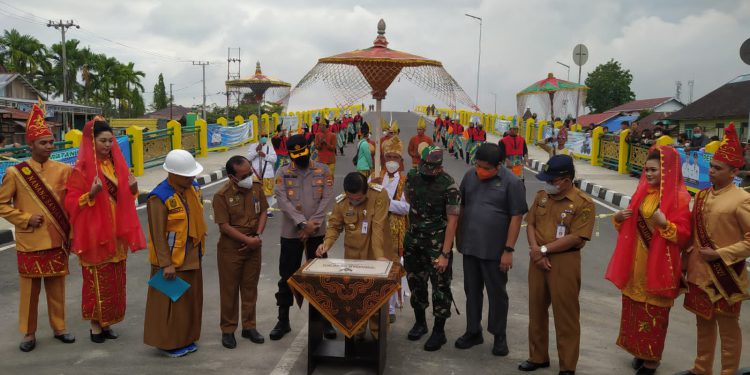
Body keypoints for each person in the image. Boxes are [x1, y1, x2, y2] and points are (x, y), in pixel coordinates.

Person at [606, 146, 692, 375]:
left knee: (654, 312)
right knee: (635, 309)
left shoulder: (680, 198)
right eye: (647, 169)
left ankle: (652, 360)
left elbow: (684, 235)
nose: (649, 174)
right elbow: (630, 227)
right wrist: (618, 218)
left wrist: (665, 224)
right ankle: (639, 352)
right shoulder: (643, 192)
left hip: (660, 264)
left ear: (667, 171)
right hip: (636, 261)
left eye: (654, 170)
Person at [0, 102, 75, 352]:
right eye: (43, 143)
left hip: (56, 239)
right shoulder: (16, 173)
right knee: (30, 292)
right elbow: (1, 204)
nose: (49, 147)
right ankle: (29, 333)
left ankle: (59, 327)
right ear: (30, 145)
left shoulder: (64, 171)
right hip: (30, 241)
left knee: (57, 287)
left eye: (51, 142)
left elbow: (72, 203)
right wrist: (24, 218)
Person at [677, 123, 750, 375]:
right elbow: (692, 235)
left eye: (718, 169)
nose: (711, 171)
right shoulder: (701, 196)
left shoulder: (742, 199)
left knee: (729, 329)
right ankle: (701, 368)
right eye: (712, 166)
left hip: (726, 275)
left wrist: (720, 254)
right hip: (699, 274)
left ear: (733, 171)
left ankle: (728, 372)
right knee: (702, 324)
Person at [65, 118, 146, 343]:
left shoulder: (117, 166)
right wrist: (90, 194)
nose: (108, 145)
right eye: (103, 140)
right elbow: (71, 203)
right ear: (92, 142)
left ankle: (107, 321)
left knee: (114, 279)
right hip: (94, 234)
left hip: (116, 232)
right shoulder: (81, 170)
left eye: (111, 140)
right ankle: (95, 325)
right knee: (96, 280)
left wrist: (133, 188)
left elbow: (128, 199)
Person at [519, 154, 595, 375]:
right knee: (536, 309)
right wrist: (536, 250)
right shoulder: (542, 196)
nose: (548, 184)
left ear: (566, 179)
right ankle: (538, 356)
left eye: (552, 180)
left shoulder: (583, 203)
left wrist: (545, 250)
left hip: (564, 261)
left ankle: (567, 366)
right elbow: (530, 224)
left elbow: (577, 237)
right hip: (537, 259)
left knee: (566, 314)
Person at [455, 143, 527, 356]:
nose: (480, 170)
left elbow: (516, 217)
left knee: (497, 294)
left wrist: (508, 249)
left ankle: (499, 335)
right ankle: (473, 331)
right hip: (470, 246)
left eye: (485, 167)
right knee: (472, 292)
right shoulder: (470, 177)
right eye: (477, 165)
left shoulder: (512, 183)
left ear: (499, 165)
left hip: (495, 251)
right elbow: (463, 206)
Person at [271, 134, 337, 341]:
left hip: (317, 234)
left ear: (309, 149)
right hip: (291, 234)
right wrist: (301, 223)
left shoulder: (323, 170)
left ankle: (324, 321)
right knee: (287, 277)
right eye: (295, 154)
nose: (300, 157)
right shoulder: (283, 173)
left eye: (303, 153)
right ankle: (283, 321)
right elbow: (282, 200)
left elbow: (326, 198)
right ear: (290, 154)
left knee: (320, 278)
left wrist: (311, 226)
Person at [143, 149, 207, 358]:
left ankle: (187, 338)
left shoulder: (193, 188)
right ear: (172, 174)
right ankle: (168, 343)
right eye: (187, 175)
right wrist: (165, 264)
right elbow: (157, 234)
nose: (192, 178)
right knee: (170, 304)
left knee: (190, 301)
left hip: (192, 255)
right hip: (171, 260)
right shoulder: (159, 197)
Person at [315, 172, 392, 338]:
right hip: (353, 255)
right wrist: (326, 244)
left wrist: (379, 256)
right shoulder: (342, 201)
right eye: (350, 197)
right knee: (355, 298)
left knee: (376, 297)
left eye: (357, 198)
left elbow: (378, 226)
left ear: (365, 191)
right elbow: (334, 225)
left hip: (375, 255)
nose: (353, 201)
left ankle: (379, 335)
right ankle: (356, 333)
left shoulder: (379, 194)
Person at [403, 145, 460, 352]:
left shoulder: (449, 185)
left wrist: (445, 254)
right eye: (423, 165)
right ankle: (420, 323)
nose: (426, 170)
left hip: (437, 244)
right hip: (413, 241)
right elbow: (409, 199)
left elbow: (453, 222)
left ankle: (439, 331)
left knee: (440, 288)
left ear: (439, 166)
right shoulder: (413, 176)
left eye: (431, 167)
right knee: (415, 283)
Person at [212, 155, 268, 349]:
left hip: (254, 244)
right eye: (244, 175)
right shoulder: (222, 195)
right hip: (231, 249)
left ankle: (249, 326)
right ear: (232, 177)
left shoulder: (256, 187)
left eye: (250, 172)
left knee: (250, 288)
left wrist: (257, 237)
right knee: (229, 291)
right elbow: (224, 226)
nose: (249, 177)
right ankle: (228, 330)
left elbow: (263, 212)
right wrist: (247, 241)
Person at [369, 136, 410, 323]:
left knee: (393, 266)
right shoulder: (375, 176)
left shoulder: (405, 181)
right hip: (376, 226)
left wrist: (384, 202)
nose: (392, 161)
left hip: (395, 228)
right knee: (375, 262)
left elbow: (406, 207)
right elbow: (368, 200)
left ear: (401, 161)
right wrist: (373, 187)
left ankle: (391, 307)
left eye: (395, 157)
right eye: (389, 157)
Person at [248, 134, 277, 217]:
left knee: (269, 193)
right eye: (262, 136)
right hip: (255, 174)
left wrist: (265, 156)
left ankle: (268, 210)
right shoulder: (252, 146)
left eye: (265, 136)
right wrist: (256, 151)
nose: (263, 137)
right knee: (255, 193)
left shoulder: (270, 148)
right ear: (258, 137)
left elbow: (274, 159)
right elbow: (248, 158)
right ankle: (257, 210)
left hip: (267, 173)